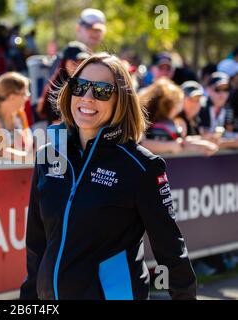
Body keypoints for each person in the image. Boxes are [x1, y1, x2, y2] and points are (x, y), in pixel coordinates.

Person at [20, 52, 197, 300]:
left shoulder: (142, 166)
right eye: (79, 86)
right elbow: (37, 247)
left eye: (102, 91)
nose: (87, 97)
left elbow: (170, 251)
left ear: (120, 101)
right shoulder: (48, 156)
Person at [140, 79, 218, 156]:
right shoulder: (142, 120)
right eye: (176, 103)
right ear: (166, 105)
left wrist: (202, 144)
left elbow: (181, 142)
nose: (178, 109)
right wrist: (170, 146)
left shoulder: (169, 121)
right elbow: (139, 143)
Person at [37, 41, 90, 125]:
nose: (78, 67)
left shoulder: (90, 84)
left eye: (82, 63)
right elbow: (56, 124)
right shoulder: (56, 88)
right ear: (64, 63)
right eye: (74, 63)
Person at [0, 72, 33, 160]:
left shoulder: (20, 116)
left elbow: (28, 146)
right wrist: (29, 158)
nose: (27, 98)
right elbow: (0, 151)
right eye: (24, 94)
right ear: (12, 97)